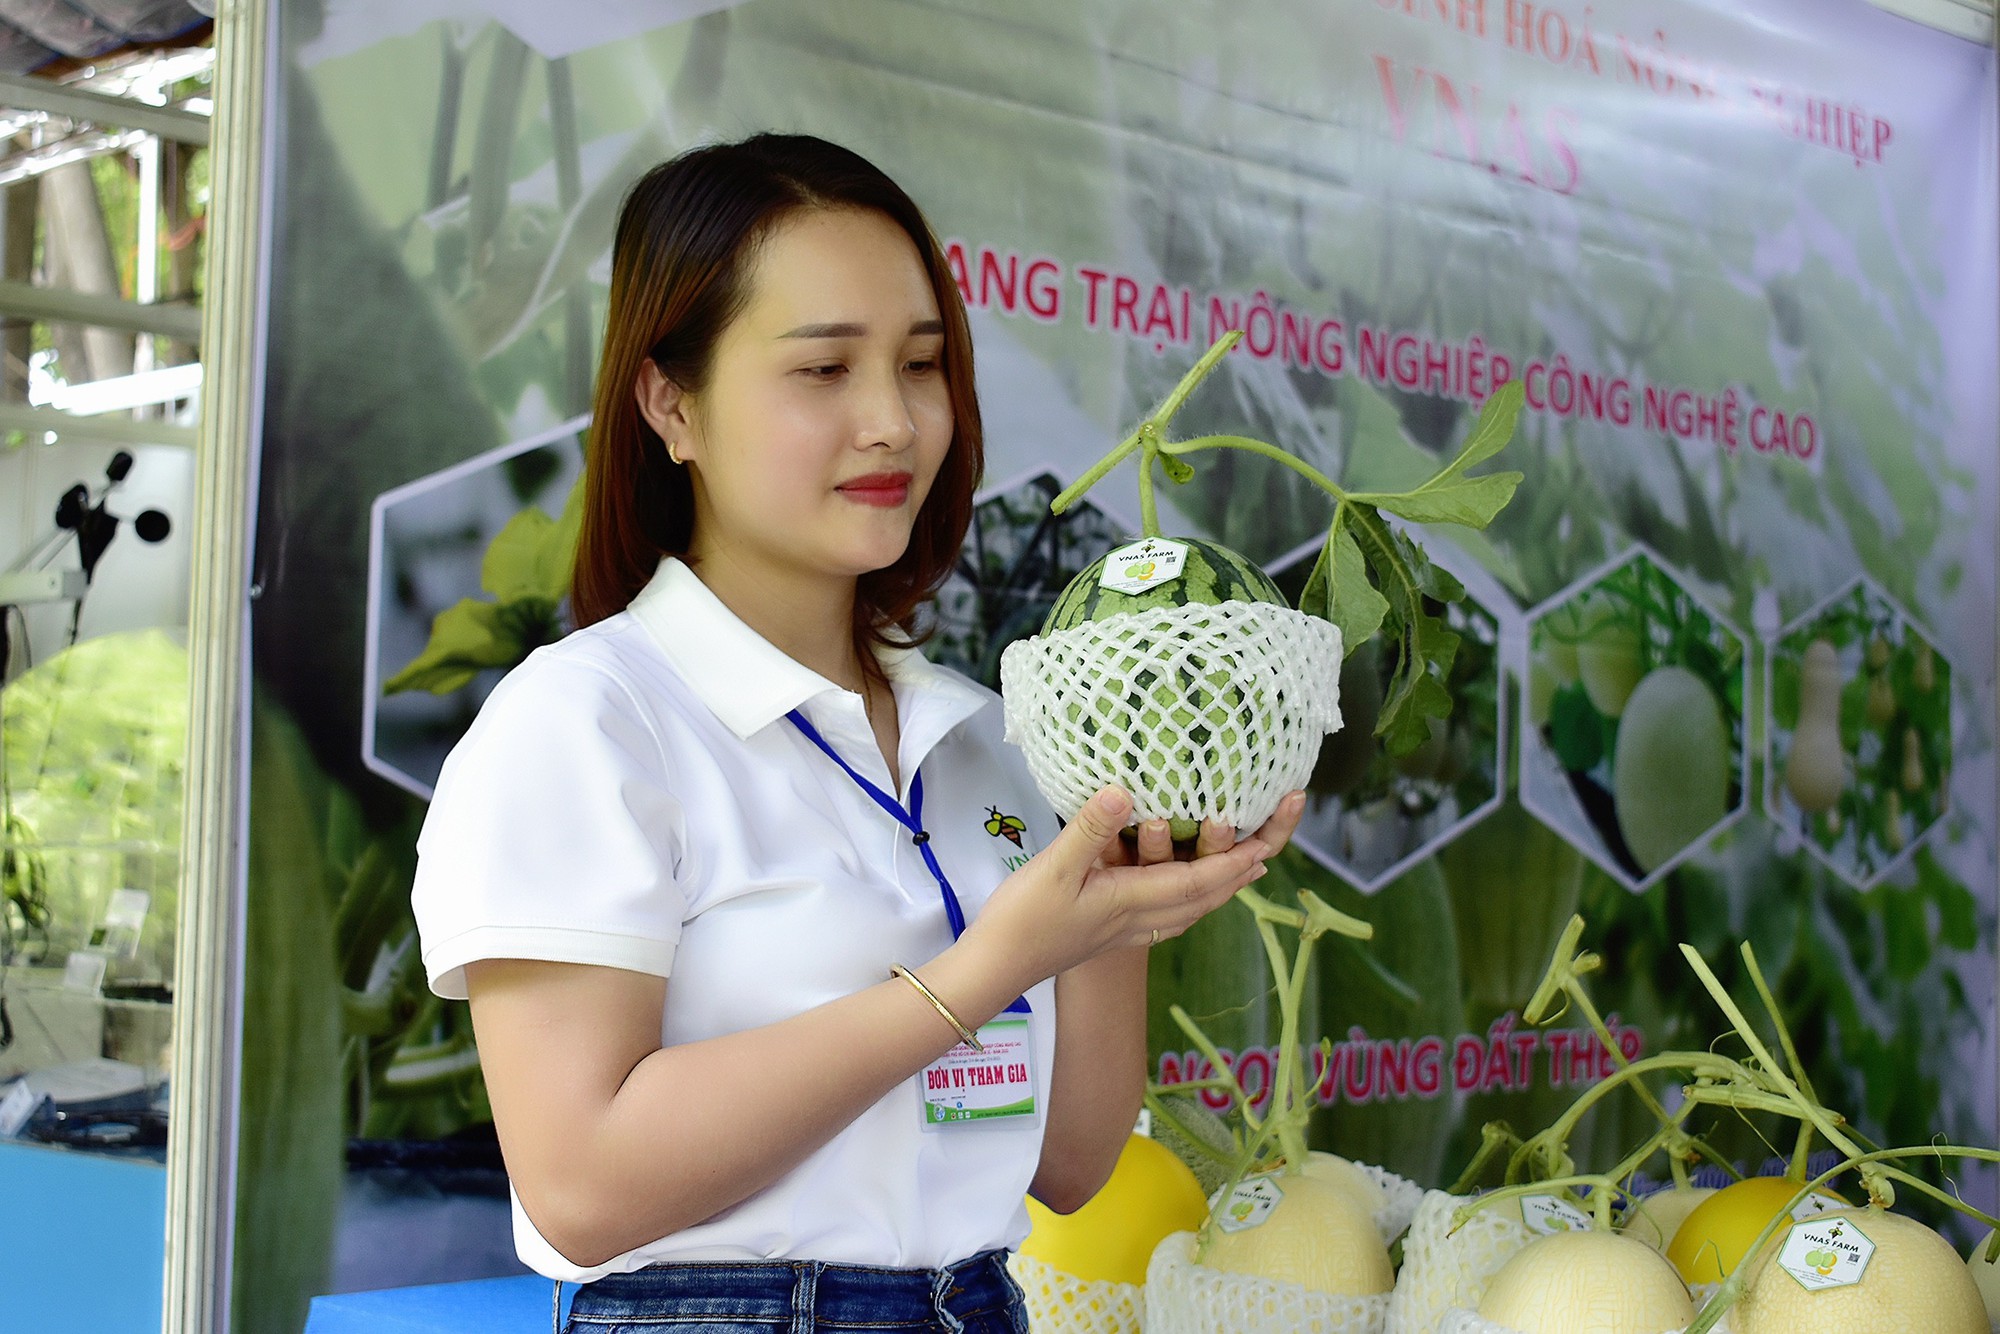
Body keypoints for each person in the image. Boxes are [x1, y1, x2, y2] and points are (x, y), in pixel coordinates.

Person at [410, 132, 1306, 1334]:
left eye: (922, 364)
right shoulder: (586, 723)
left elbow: (1069, 1162)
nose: (893, 421)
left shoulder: (987, 737)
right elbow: (580, 1184)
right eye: (824, 369)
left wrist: (1113, 917)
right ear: (671, 401)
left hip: (981, 1302)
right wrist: (987, 964)